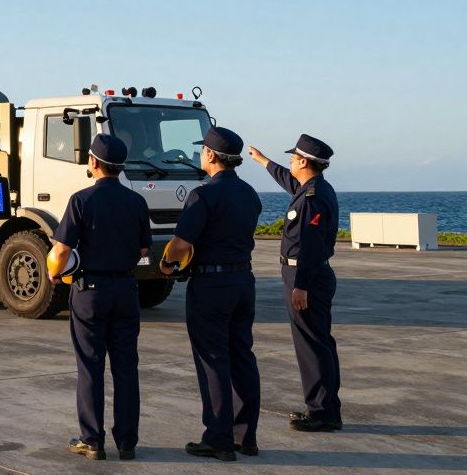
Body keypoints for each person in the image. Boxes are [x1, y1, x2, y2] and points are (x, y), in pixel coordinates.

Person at [160, 126, 261, 461]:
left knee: (213, 360)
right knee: (242, 355)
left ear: (212, 156)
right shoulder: (249, 193)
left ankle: (218, 437)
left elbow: (182, 244)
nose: (200, 154)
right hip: (243, 281)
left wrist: (165, 264)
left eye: (203, 149)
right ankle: (245, 436)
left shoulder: (202, 195)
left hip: (211, 285)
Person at [48, 134, 151, 461]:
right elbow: (145, 251)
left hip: (89, 292)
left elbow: (62, 249)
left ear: (93, 162)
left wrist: (54, 273)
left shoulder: (81, 200)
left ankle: (92, 440)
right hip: (126, 291)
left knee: (90, 367)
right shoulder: (137, 202)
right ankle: (127, 442)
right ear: (120, 168)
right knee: (126, 367)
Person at [249, 134, 342, 432]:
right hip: (310, 275)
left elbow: (310, 245)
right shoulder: (313, 189)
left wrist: (300, 284)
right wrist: (263, 161)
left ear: (303, 162)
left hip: (306, 277)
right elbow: (287, 180)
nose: (289, 163)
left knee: (312, 345)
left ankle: (320, 412)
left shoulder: (312, 198)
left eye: (292, 159)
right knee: (319, 342)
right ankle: (327, 408)